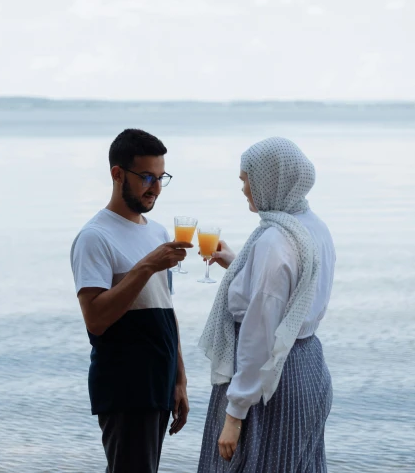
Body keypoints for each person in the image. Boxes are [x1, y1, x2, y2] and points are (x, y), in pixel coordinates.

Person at [197, 137, 336, 472]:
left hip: (269, 378)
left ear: (271, 181)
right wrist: (240, 265)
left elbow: (259, 334)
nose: (244, 188)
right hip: (308, 368)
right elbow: (290, 294)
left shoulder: (275, 241)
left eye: (247, 180)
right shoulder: (314, 228)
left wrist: (234, 414)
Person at [70, 129, 193, 473]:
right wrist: (147, 266)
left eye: (161, 177)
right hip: (126, 385)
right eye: (147, 177)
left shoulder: (156, 232)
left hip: (158, 381)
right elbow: (95, 318)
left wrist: (179, 380)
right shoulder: (95, 237)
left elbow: (166, 310)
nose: (155, 187)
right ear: (118, 174)